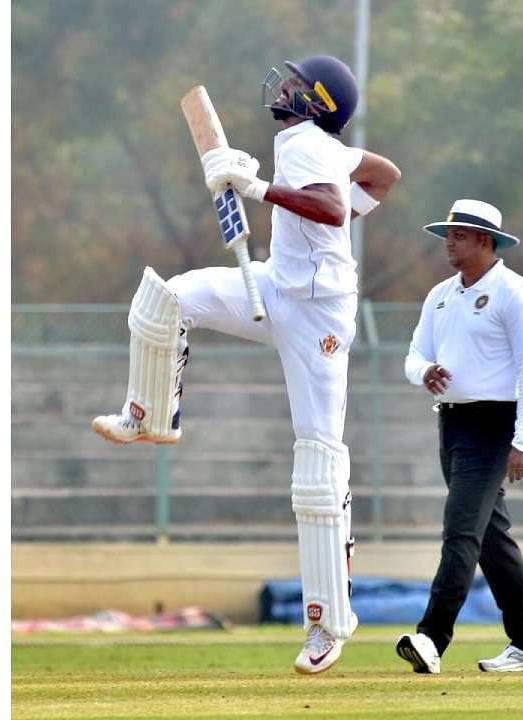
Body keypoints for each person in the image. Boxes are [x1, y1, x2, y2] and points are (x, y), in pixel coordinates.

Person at [91, 54, 401, 675]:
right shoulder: (317, 143)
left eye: (294, 84)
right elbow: (386, 175)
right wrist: (298, 190)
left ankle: (327, 627)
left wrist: (259, 191)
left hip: (320, 316)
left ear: (315, 103)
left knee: (318, 461)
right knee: (167, 298)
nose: (281, 88)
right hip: (277, 285)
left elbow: (333, 210)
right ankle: (151, 413)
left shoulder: (307, 144)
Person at [394, 199, 523, 675]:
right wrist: (424, 371)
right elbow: (413, 354)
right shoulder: (441, 294)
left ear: (485, 241)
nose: (449, 241)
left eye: (459, 234)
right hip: (452, 422)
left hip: (494, 425)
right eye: (448, 233)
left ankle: (432, 638)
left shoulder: (513, 293)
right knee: (490, 537)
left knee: (462, 529)